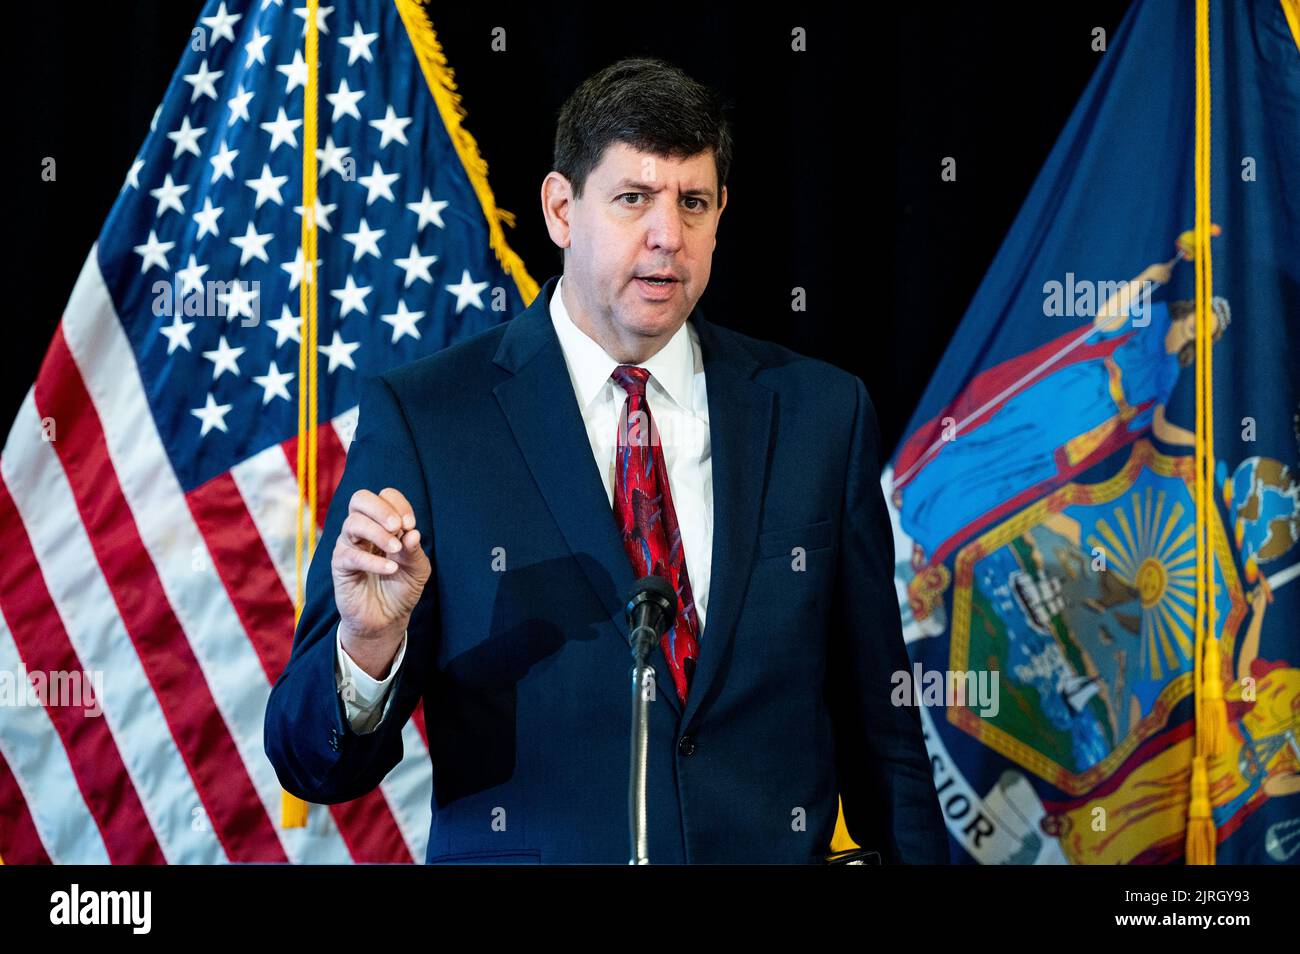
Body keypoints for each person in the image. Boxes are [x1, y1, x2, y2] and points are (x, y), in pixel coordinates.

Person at [264, 57, 947, 864]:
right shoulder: (430, 419)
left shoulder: (818, 413)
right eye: (633, 200)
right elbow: (313, 765)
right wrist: (368, 647)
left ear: (722, 213)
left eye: (693, 203)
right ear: (561, 208)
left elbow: (884, 729)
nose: (668, 235)